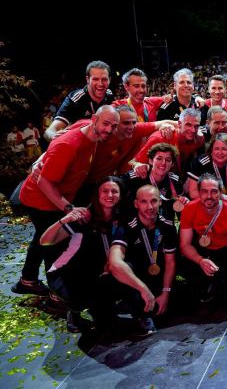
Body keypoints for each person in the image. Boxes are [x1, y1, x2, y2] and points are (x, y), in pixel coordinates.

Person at [13, 106, 119, 299]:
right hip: (40, 199)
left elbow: (59, 137)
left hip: (55, 195)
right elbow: (43, 181)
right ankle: (58, 295)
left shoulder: (86, 126)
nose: (109, 130)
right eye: (106, 124)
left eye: (114, 126)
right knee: (54, 243)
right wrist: (69, 209)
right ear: (95, 119)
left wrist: (43, 157)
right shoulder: (70, 145)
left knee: (41, 237)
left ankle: (27, 280)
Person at [40, 177, 124, 332]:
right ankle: (74, 310)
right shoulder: (84, 217)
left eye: (114, 191)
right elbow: (45, 241)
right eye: (105, 191)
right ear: (97, 195)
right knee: (84, 288)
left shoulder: (122, 217)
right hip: (71, 274)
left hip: (102, 269)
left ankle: (105, 302)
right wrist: (63, 220)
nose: (110, 195)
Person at [108, 185, 178, 336]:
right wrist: (143, 290)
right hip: (136, 279)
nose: (150, 206)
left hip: (158, 275)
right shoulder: (126, 227)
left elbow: (171, 262)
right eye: (144, 202)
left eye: (153, 201)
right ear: (136, 204)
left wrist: (166, 293)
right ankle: (141, 315)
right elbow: (114, 262)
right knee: (122, 269)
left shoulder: (168, 226)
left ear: (160, 202)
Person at [179, 174, 227, 308]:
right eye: (204, 191)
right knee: (186, 267)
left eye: (214, 191)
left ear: (220, 193)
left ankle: (224, 283)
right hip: (203, 251)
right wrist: (200, 260)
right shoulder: (190, 209)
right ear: (199, 192)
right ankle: (208, 284)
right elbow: (185, 245)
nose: (209, 196)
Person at [45, 61, 114, 141]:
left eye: (104, 79)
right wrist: (53, 135)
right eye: (95, 79)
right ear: (87, 79)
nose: (100, 84)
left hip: (99, 143)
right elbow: (49, 131)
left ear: (110, 79)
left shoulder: (109, 95)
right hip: (78, 144)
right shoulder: (75, 100)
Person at [130, 108, 204, 177]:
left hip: (176, 181)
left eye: (196, 126)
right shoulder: (159, 138)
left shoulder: (199, 139)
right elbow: (133, 162)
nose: (193, 130)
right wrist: (137, 166)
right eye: (188, 125)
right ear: (179, 124)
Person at [122, 143, 188, 221]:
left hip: (161, 226)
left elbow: (179, 208)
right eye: (159, 158)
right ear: (150, 160)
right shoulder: (136, 176)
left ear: (172, 164)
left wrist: (185, 203)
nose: (163, 163)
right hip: (134, 224)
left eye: (168, 160)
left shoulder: (175, 181)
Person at [187, 133, 227, 203]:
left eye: (224, 149)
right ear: (211, 151)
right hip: (203, 202)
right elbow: (193, 193)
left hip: (226, 204)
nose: (220, 152)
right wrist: (218, 198)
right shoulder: (201, 163)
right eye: (216, 149)